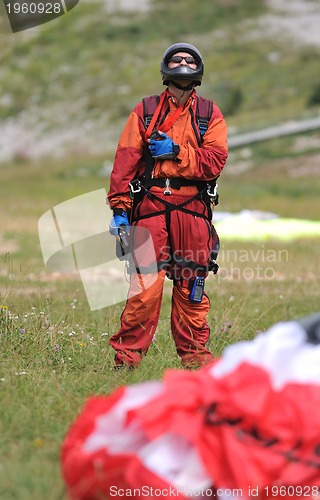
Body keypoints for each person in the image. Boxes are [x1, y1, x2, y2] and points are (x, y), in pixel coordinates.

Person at [107, 42, 228, 369]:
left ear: (198, 71)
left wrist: (177, 151)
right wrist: (119, 209)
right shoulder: (145, 111)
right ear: (166, 68)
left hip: (193, 212)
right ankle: (126, 363)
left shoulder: (208, 115)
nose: (184, 63)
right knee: (144, 290)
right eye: (178, 59)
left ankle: (196, 364)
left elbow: (215, 162)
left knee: (192, 290)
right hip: (149, 208)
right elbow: (125, 160)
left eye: (190, 60)